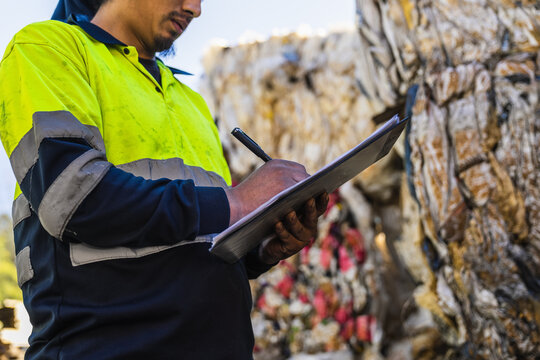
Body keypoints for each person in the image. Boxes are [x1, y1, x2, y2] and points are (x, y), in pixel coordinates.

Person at [0, 0, 328, 358]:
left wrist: (261, 250)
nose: (195, 9)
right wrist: (239, 201)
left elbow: (198, 238)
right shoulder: (47, 49)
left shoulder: (192, 102)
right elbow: (72, 199)